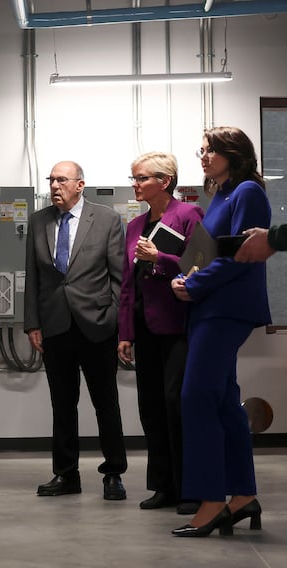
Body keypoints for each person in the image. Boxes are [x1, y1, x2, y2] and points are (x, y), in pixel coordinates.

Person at [170, 126, 270, 537]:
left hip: (227, 308)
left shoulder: (247, 191)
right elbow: (209, 253)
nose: (204, 157)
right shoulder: (221, 195)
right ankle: (243, 497)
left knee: (196, 398)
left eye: (211, 150)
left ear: (234, 152)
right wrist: (186, 279)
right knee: (225, 401)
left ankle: (210, 500)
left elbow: (239, 256)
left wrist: (192, 285)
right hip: (210, 307)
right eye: (202, 150)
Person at [24, 160, 128, 501]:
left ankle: (113, 472)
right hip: (55, 326)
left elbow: (119, 277)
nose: (55, 186)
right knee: (62, 405)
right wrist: (32, 323)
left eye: (62, 180)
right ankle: (66, 474)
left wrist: (114, 318)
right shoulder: (39, 220)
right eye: (51, 180)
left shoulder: (108, 219)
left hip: (97, 325)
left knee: (105, 403)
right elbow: (34, 277)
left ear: (79, 185)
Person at [117, 152, 204, 514]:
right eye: (133, 178)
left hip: (178, 324)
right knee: (150, 406)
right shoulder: (135, 225)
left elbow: (202, 266)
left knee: (176, 404)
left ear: (164, 181)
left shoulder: (188, 215)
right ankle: (163, 486)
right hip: (144, 324)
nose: (134, 184)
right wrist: (125, 332)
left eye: (141, 178)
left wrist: (162, 260)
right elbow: (126, 284)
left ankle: (191, 488)